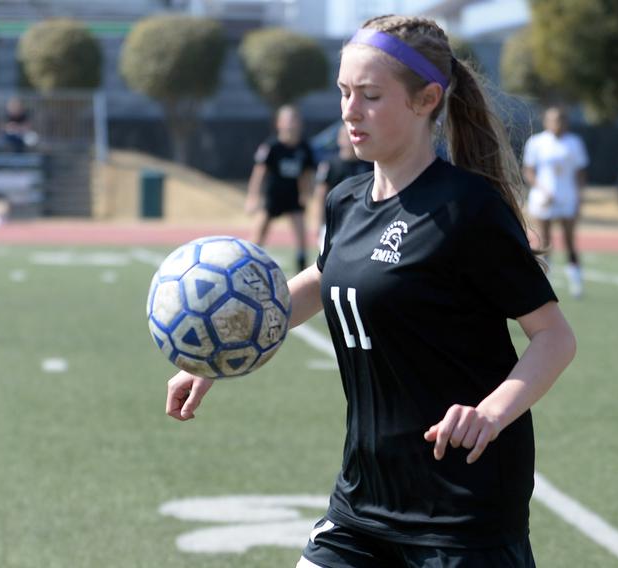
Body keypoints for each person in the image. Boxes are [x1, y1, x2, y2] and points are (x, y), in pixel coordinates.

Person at [166, 15, 577, 567]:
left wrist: (490, 413)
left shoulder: (467, 209)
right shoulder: (345, 201)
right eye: (343, 92)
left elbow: (554, 336)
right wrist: (218, 350)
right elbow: (323, 281)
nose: (349, 111)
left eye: (371, 95)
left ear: (427, 99)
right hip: (365, 501)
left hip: (463, 513)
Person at [522, 106, 589, 298]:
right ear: (545, 122)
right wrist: (542, 190)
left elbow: (580, 173)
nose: (556, 124)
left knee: (569, 240)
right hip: (543, 199)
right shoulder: (536, 142)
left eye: (560, 120)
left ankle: (576, 281)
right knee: (544, 240)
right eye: (552, 120)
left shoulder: (574, 143)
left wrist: (579, 198)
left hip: (567, 197)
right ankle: (543, 284)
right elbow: (529, 171)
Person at [245, 105, 317, 274]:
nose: (291, 124)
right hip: (273, 195)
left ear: (300, 123)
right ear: (279, 124)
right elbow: (259, 172)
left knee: (301, 234)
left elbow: (307, 174)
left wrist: (305, 194)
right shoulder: (272, 146)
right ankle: (246, 264)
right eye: (287, 120)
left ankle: (301, 267)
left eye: (294, 120)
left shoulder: (304, 147)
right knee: (258, 234)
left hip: (292, 196)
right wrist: (253, 196)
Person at [312, 126, 373, 249]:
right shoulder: (330, 164)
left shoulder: (368, 165)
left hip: (361, 221)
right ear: (339, 140)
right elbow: (320, 195)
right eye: (345, 136)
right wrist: (318, 223)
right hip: (335, 222)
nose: (348, 140)